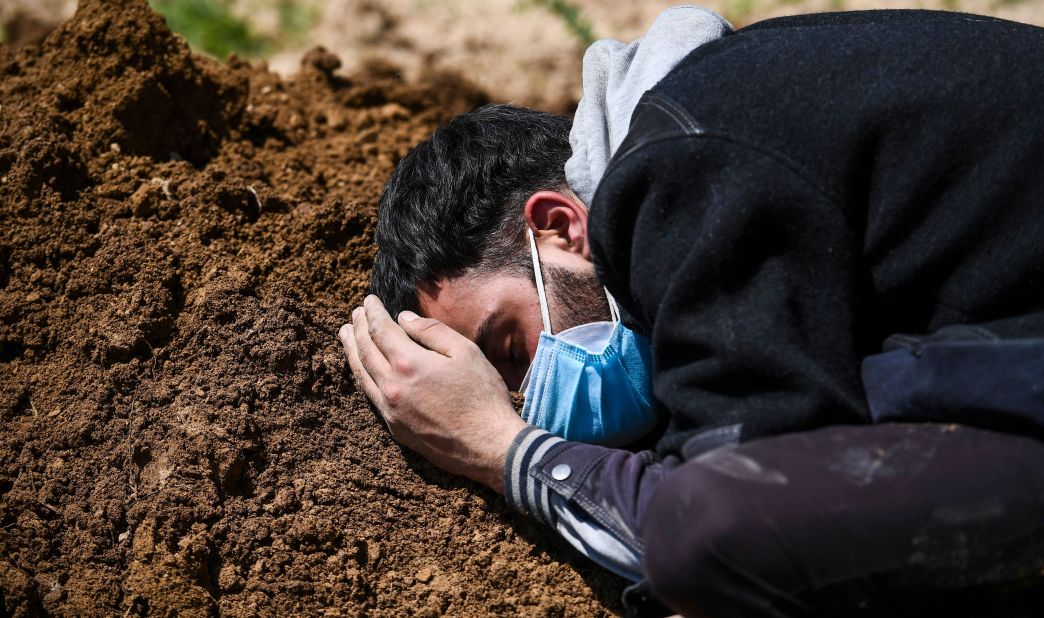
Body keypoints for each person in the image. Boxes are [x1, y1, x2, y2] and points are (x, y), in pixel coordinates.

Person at [338, 9, 1044, 617]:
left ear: (559, 227)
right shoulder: (718, 117)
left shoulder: (679, 172)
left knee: (702, 527)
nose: (523, 400)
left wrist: (503, 449)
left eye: (511, 348)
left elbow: (749, 492)